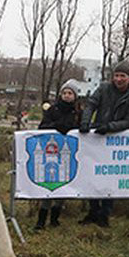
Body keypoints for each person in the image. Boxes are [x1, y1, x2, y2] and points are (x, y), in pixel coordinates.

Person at [78, 60, 129, 227]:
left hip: (116, 140)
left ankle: (104, 214)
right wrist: (85, 122)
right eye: (116, 75)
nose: (119, 79)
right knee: (92, 175)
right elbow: (91, 104)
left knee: (110, 178)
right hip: (97, 137)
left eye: (122, 76)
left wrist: (109, 127)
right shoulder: (104, 88)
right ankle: (92, 211)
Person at [35, 86, 82, 230]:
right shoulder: (52, 110)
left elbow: (82, 128)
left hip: (68, 152)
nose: (67, 96)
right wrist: (56, 126)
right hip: (51, 151)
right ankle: (41, 220)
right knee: (48, 186)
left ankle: (55, 219)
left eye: (70, 93)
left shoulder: (78, 112)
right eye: (64, 93)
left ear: (75, 96)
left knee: (63, 185)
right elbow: (42, 127)